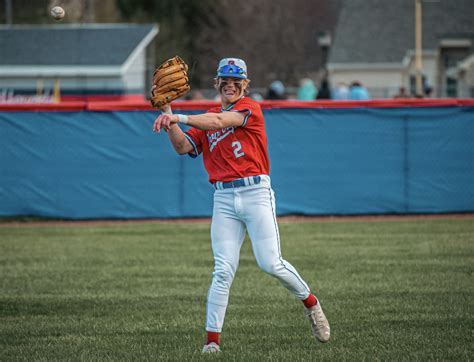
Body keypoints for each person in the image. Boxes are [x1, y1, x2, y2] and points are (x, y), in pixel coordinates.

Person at [153, 57, 330, 354]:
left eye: (236, 81)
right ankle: (212, 342)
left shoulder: (250, 108)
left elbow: (222, 121)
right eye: (225, 80)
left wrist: (180, 118)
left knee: (270, 263)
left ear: (245, 85)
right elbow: (183, 146)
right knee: (222, 270)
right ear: (217, 84)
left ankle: (311, 304)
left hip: (256, 193)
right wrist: (167, 113)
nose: (230, 85)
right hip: (223, 198)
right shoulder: (207, 115)